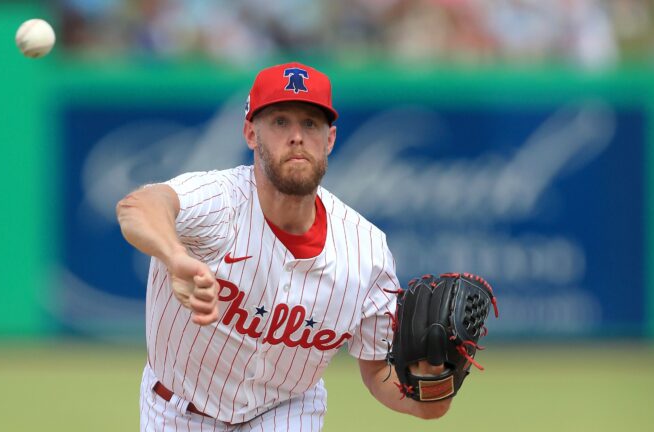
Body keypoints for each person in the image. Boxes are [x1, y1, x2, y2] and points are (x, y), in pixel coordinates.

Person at [116, 62, 451, 431]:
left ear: (330, 139)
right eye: (280, 122)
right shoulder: (222, 201)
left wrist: (430, 394)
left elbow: (376, 371)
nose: (296, 136)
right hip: (177, 408)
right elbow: (139, 205)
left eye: (310, 123)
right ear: (251, 134)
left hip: (287, 410)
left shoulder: (367, 252)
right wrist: (174, 255)